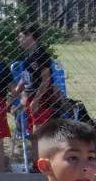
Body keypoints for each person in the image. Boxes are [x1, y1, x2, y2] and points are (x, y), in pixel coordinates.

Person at [14, 25, 66, 163]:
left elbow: (46, 78)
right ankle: (37, 165)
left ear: (30, 34)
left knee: (40, 132)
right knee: (32, 134)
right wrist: (16, 97)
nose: (18, 40)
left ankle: (47, 163)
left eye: (20, 36)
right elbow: (24, 80)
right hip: (30, 98)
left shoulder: (41, 55)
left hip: (42, 97)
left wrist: (36, 99)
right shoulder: (27, 57)